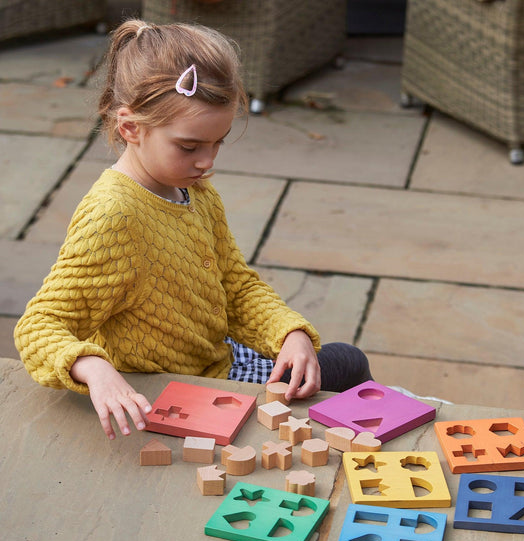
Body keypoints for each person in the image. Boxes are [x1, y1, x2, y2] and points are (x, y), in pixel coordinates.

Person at [14, 19, 371, 441]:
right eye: (189, 146)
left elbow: (235, 284)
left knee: (341, 362)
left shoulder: (193, 189)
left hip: (216, 357)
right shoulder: (113, 218)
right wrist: (94, 368)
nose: (208, 161)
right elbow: (39, 325)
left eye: (217, 141)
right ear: (130, 128)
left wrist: (288, 332)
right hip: (179, 394)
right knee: (345, 367)